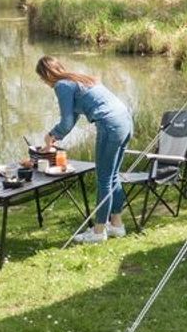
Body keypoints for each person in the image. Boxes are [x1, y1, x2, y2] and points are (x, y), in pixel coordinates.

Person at [36, 56, 133, 244]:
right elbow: (71, 120)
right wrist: (57, 137)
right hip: (126, 121)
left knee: (104, 178)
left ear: (47, 74)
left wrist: (50, 137)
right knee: (113, 176)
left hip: (110, 126)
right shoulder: (79, 79)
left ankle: (98, 232)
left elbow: (65, 122)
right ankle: (117, 225)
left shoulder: (62, 85)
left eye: (42, 78)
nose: (44, 82)